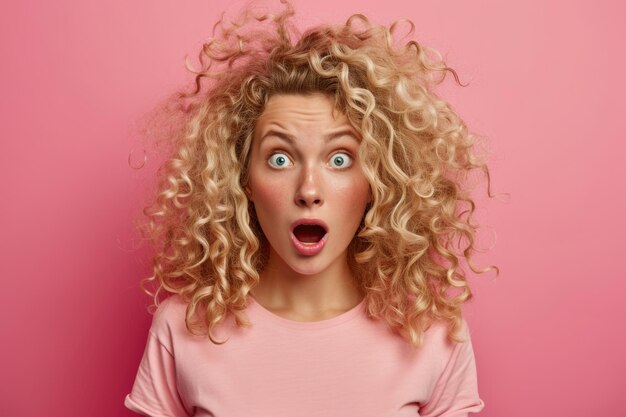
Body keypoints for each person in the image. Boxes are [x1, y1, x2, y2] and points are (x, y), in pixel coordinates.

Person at [125, 1, 494, 415]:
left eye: (339, 159)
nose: (309, 190)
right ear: (243, 179)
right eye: (280, 159)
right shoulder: (184, 326)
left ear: (376, 181)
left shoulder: (432, 334)